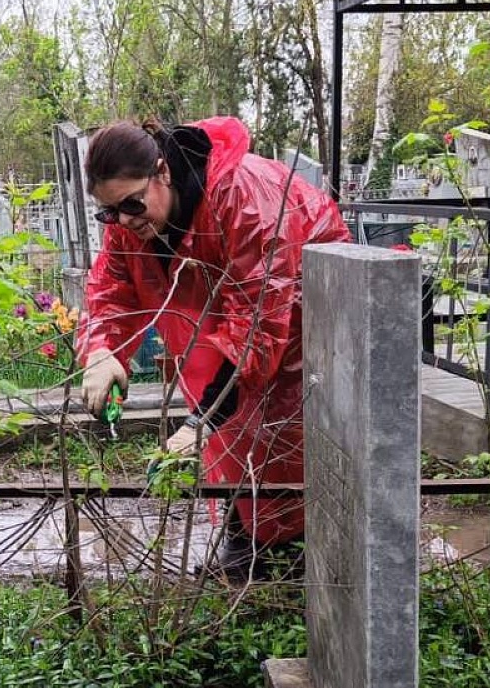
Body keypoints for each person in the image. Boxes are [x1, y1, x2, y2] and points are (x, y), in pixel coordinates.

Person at [76, 116, 350, 581]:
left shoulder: (245, 200)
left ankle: (293, 562)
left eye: (131, 204)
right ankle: (248, 546)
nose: (122, 221)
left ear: (163, 171)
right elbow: (112, 291)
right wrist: (102, 351)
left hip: (303, 315)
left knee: (285, 433)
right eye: (109, 212)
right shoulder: (132, 217)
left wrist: (200, 421)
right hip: (235, 324)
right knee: (232, 433)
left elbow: (259, 327)